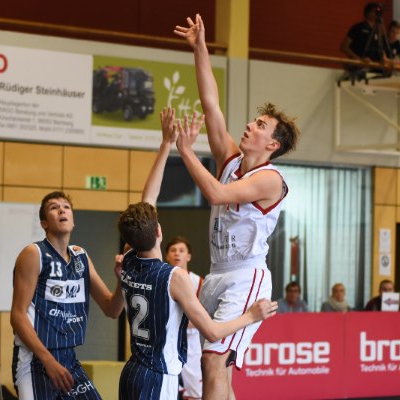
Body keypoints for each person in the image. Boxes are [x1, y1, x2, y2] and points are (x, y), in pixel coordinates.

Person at [174, 14, 300, 399]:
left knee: (213, 360)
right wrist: (200, 49)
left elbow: (216, 195)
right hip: (217, 272)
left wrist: (184, 151)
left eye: (260, 124)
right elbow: (210, 103)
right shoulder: (231, 159)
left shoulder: (270, 179)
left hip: (247, 276)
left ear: (272, 144)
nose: (250, 125)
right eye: (254, 120)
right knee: (215, 366)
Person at [117, 107, 277, 400]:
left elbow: (147, 202)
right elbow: (214, 333)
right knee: (215, 358)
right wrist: (251, 316)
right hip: (159, 376)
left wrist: (166, 146)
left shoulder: (127, 262)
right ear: (158, 233)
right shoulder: (174, 277)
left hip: (131, 372)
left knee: (219, 370)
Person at [10, 191, 124, 400]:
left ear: (73, 221)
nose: (62, 209)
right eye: (54, 207)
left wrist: (122, 280)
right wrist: (48, 361)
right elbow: (17, 315)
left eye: (66, 207)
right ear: (44, 223)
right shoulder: (33, 254)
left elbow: (112, 309)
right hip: (34, 360)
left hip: (68, 358)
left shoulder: (81, 256)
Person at [165, 236, 203, 400]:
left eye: (181, 251)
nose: (177, 254)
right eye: (173, 250)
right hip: (167, 342)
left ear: (188, 256)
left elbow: (204, 317)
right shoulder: (160, 279)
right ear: (166, 256)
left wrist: (178, 324)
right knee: (170, 392)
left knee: (195, 393)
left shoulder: (198, 281)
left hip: (192, 345)